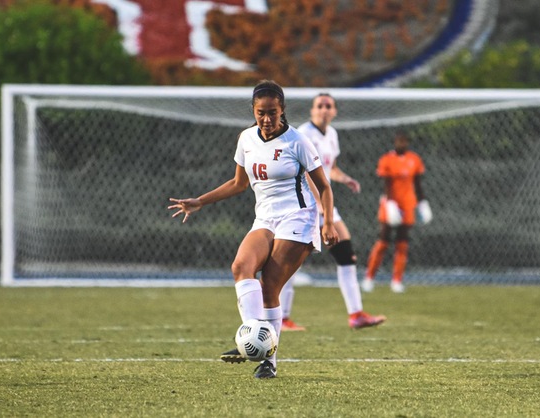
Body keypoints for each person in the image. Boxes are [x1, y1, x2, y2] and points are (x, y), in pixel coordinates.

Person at [168, 80, 338, 379]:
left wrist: (327, 223)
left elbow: (323, 186)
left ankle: (269, 361)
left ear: (282, 110)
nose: (267, 119)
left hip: (298, 217)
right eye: (261, 112)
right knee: (241, 266)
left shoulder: (297, 141)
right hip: (265, 219)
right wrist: (200, 201)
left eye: (273, 112)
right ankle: (253, 334)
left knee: (270, 285)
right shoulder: (246, 138)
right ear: (253, 111)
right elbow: (238, 183)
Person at [279, 93, 386, 331]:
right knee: (291, 263)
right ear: (312, 110)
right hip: (304, 205)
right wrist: (318, 205)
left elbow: (330, 169)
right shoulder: (304, 133)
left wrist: (345, 179)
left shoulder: (332, 135)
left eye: (329, 106)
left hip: (325, 205)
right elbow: (305, 172)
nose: (324, 109)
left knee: (346, 256)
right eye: (320, 105)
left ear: (335, 111)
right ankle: (282, 317)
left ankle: (356, 314)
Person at [361, 132, 431, 294]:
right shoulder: (387, 160)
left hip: (408, 204)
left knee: (402, 242)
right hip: (391, 203)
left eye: (404, 141)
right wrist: (390, 203)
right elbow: (386, 184)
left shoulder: (414, 159)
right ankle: (369, 278)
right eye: (399, 141)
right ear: (394, 142)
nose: (402, 144)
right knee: (384, 240)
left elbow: (418, 183)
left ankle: (397, 280)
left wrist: (422, 203)